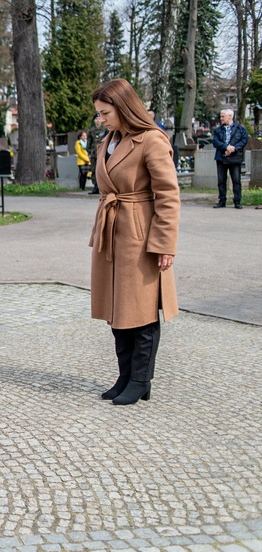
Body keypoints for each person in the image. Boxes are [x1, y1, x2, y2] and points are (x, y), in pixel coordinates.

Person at [90, 78, 180, 405]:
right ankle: (125, 375)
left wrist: (164, 245)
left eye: (105, 113)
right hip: (112, 231)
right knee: (117, 309)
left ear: (123, 107)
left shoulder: (151, 140)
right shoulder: (110, 140)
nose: (101, 120)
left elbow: (168, 196)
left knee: (140, 311)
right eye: (99, 115)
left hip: (139, 234)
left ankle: (141, 380)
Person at [211, 108, 248, 209]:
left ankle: (237, 201)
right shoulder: (218, 130)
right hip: (221, 157)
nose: (221, 118)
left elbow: (244, 140)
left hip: (235, 157)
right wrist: (226, 147)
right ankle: (222, 201)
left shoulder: (240, 128)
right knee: (221, 180)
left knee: (236, 180)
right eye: (221, 116)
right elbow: (215, 142)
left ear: (230, 116)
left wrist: (234, 148)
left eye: (223, 116)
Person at [86, 114, 106, 195]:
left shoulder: (105, 130)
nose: (98, 120)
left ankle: (103, 187)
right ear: (94, 120)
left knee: (102, 170)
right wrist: (89, 153)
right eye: (96, 119)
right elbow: (89, 143)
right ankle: (95, 186)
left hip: (102, 153)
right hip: (94, 154)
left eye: (99, 118)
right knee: (94, 170)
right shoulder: (91, 130)